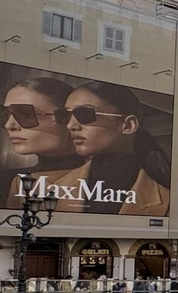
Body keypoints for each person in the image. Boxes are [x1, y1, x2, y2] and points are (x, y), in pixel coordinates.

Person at [62, 81, 171, 215]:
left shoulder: (168, 202)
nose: (70, 125)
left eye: (85, 114)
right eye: (65, 115)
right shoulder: (50, 187)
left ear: (128, 125)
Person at [0, 77, 87, 208]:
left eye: (25, 114)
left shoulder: (102, 180)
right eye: (5, 114)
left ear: (67, 117)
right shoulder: (0, 182)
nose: (9, 125)